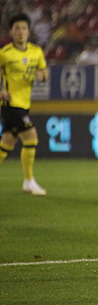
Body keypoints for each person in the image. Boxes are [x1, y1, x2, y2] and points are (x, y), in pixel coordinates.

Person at [0, 14, 50, 196]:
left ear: (29, 32)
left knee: (7, 143)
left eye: (23, 28)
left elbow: (45, 73)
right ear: (11, 32)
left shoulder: (36, 52)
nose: (20, 32)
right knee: (31, 137)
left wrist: (42, 76)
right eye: (17, 29)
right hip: (10, 104)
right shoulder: (5, 53)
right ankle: (29, 181)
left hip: (25, 104)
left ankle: (29, 182)